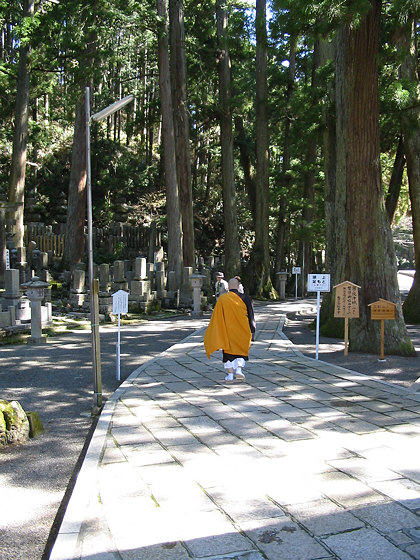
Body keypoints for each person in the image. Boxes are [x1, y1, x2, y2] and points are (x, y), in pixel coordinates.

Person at [204, 277, 256, 382]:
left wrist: (216, 333)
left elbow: (216, 317)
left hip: (227, 331)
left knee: (228, 353)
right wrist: (253, 330)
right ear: (238, 286)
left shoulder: (222, 299)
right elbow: (251, 317)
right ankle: (239, 370)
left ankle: (230, 375)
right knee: (241, 351)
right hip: (243, 331)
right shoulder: (247, 298)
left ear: (228, 287)